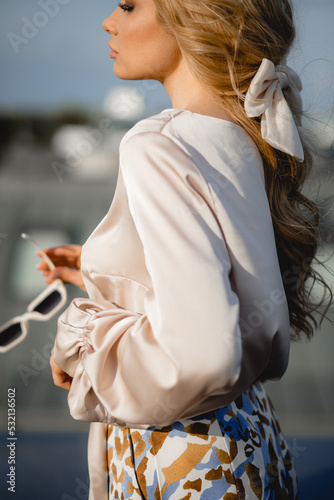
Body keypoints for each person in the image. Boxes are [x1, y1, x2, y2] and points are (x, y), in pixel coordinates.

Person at [37, 0, 331, 498]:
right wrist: (106, 269)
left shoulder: (157, 144)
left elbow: (202, 357)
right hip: (251, 438)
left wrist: (83, 353)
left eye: (129, 5)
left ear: (195, 16)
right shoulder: (245, 132)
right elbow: (230, 288)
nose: (109, 20)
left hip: (178, 455)